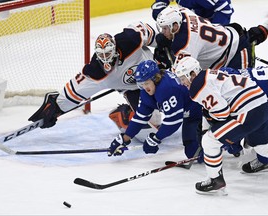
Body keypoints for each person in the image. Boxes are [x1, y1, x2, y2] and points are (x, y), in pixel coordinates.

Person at [28, 21, 159, 133]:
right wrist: (56, 107)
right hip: (133, 89)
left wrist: (163, 46)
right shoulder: (96, 71)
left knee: (174, 97)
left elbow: (149, 33)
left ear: (114, 49)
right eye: (102, 55)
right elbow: (74, 91)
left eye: (108, 53)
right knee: (153, 124)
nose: (105, 59)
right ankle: (123, 114)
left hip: (157, 72)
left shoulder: (130, 40)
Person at [174, 56, 268, 195]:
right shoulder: (208, 74)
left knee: (210, 141)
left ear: (192, 74)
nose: (182, 83)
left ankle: (215, 180)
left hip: (247, 111)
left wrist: (216, 132)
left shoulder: (197, 86)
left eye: (183, 78)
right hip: (262, 104)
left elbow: (222, 113)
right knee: (258, 142)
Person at [107, 60, 203, 162]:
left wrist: (156, 138)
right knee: (192, 152)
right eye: (141, 84)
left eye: (146, 83)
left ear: (155, 78)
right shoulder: (147, 91)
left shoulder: (167, 88)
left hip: (203, 109)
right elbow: (140, 117)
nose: (145, 87)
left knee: (209, 145)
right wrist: (125, 138)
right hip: (189, 114)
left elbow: (173, 121)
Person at [154, 5, 268, 71]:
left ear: (175, 26)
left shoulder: (185, 44)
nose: (162, 32)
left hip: (236, 53)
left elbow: (182, 75)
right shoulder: (183, 12)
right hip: (230, 36)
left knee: (246, 92)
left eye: (165, 28)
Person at [151, 0, 234, 25]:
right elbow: (159, 5)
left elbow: (225, 9)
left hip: (208, 29)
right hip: (192, 26)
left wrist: (216, 30)